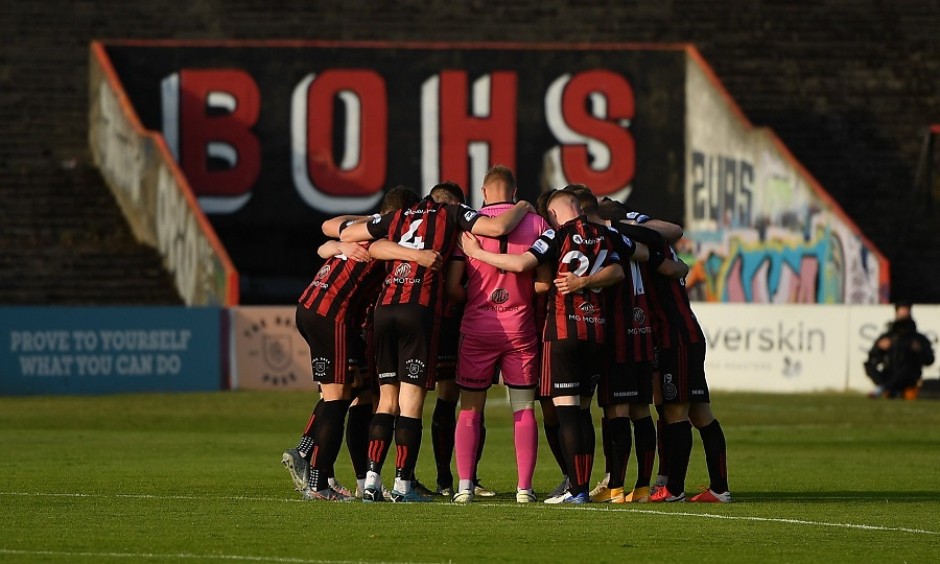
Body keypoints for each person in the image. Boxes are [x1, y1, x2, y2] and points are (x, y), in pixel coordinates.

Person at [339, 182, 534, 502]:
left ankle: (372, 480)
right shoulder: (452, 214)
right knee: (411, 404)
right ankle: (403, 486)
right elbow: (499, 227)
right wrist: (524, 205)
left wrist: (401, 251)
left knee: (386, 400)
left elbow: (354, 237)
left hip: (385, 311)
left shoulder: (399, 215)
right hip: (419, 311)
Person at [460, 188, 641, 503]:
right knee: (583, 412)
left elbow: (521, 264)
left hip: (563, 333)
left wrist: (479, 254)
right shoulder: (604, 234)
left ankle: (577, 489)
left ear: (554, 215)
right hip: (597, 333)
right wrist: (588, 281)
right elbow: (619, 270)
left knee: (567, 413)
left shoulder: (555, 235)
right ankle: (585, 486)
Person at [282, 186, 440, 501]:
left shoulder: (361, 230)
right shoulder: (386, 240)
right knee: (340, 399)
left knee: (351, 389)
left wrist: (333, 244)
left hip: (311, 306)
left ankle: (316, 462)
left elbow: (329, 230)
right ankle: (318, 481)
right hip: (334, 313)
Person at [611, 205, 731, 504]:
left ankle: (673, 490)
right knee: (699, 413)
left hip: (674, 339)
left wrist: (609, 227)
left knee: (675, 412)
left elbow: (651, 251)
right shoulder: (662, 251)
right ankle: (718, 488)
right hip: (683, 335)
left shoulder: (651, 252)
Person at [447, 165, 551, 503]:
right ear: (514, 190)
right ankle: (524, 488)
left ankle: (465, 486)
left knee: (470, 410)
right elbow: (544, 282)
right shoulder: (536, 223)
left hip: (478, 326)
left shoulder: (470, 223)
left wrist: (477, 298)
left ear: (484, 191)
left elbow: (452, 286)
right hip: (520, 327)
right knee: (523, 410)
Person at [865, 301, 935, 399]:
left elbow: (930, 360)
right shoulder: (887, 337)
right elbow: (873, 358)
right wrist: (879, 348)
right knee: (868, 365)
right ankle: (887, 387)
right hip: (889, 374)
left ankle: (884, 388)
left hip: (909, 377)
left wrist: (919, 350)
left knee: (906, 366)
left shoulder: (918, 339)